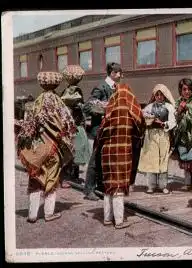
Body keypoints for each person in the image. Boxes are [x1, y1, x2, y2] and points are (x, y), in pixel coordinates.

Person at [16, 71, 77, 223]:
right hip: (53, 148)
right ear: (56, 84)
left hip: (38, 148)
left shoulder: (37, 101)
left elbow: (29, 126)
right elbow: (70, 125)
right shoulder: (59, 102)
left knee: (35, 178)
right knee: (52, 178)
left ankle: (32, 214)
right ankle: (49, 213)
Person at [94, 83, 144, 229]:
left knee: (108, 185)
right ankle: (120, 220)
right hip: (123, 150)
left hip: (107, 152)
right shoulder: (130, 110)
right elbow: (140, 123)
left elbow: (100, 134)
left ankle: (107, 218)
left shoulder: (110, 110)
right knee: (119, 186)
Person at [82, 62, 122, 201]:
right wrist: (102, 107)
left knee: (105, 158)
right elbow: (88, 105)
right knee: (95, 159)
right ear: (112, 73)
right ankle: (88, 190)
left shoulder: (116, 87)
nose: (120, 75)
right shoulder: (101, 87)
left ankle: (100, 186)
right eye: (118, 72)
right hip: (100, 129)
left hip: (110, 129)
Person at [138, 84, 176, 194]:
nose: (159, 97)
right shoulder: (149, 107)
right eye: (157, 95)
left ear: (165, 96)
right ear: (154, 96)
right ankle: (151, 185)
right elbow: (143, 116)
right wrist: (147, 120)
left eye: (161, 95)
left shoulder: (169, 107)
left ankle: (163, 185)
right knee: (152, 159)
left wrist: (164, 124)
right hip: (151, 135)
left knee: (163, 159)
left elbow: (173, 121)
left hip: (163, 135)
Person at [60, 65, 91, 187]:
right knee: (74, 149)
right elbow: (78, 105)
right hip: (74, 124)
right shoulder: (77, 90)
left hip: (69, 124)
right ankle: (67, 177)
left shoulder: (66, 89)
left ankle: (71, 176)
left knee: (72, 149)